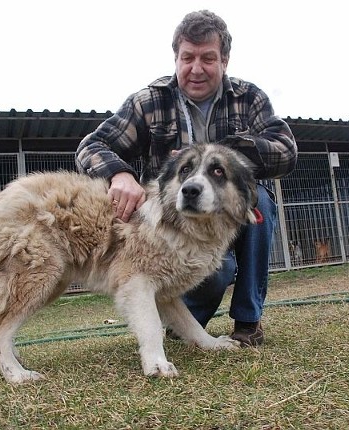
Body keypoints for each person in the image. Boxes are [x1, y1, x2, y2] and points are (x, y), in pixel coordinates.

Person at [76, 10, 297, 346]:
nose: (196, 68)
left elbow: (285, 151)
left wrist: (221, 154)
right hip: (175, 224)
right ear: (176, 58)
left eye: (207, 58)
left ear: (224, 60)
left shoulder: (248, 97)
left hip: (228, 212)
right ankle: (181, 325)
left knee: (260, 201)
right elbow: (92, 145)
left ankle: (248, 321)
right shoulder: (149, 101)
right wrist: (118, 173)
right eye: (187, 57)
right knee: (218, 271)